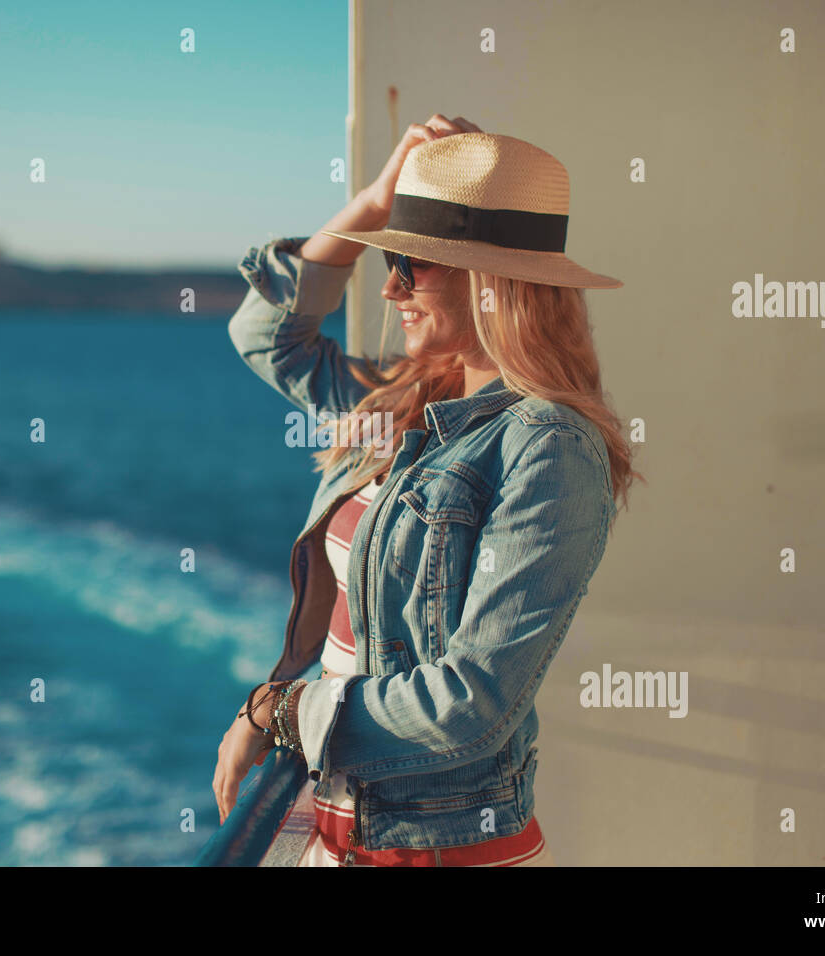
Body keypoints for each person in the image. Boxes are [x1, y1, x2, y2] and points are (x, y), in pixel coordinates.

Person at [214, 114, 643, 866]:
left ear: (493, 282)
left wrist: (281, 711)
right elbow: (263, 334)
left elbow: (472, 702)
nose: (392, 286)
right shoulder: (400, 404)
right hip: (337, 828)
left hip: (437, 849)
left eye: (415, 264)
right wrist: (375, 202)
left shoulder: (546, 446)